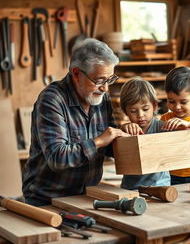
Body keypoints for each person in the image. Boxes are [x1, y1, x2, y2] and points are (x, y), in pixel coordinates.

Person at [22, 38, 129, 206]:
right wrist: (99, 141)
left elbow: (109, 145)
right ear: (77, 73)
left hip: (88, 196)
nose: (105, 88)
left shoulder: (101, 97)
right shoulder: (51, 100)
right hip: (48, 200)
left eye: (110, 80)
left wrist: (128, 138)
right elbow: (57, 157)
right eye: (99, 80)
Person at [119, 77, 171, 190]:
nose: (140, 115)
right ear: (125, 111)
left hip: (161, 187)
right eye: (133, 111)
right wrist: (124, 128)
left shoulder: (163, 127)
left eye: (145, 109)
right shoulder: (126, 131)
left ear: (155, 106)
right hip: (131, 188)